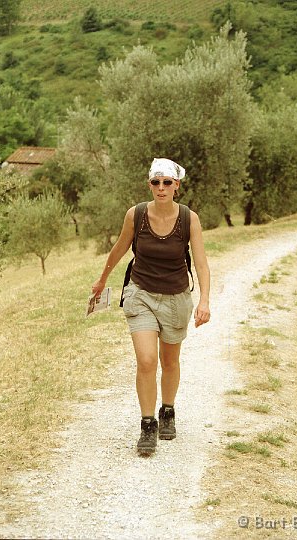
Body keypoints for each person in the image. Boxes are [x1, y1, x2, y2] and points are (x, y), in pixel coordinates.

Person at [92, 157, 210, 455]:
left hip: (175, 299)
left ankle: (167, 410)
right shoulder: (136, 214)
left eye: (167, 182)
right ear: (149, 184)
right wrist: (101, 280)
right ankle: (148, 425)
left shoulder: (189, 219)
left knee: (169, 361)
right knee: (146, 360)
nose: (161, 187)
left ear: (176, 187)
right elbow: (119, 248)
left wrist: (205, 300)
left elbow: (201, 262)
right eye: (155, 182)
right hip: (141, 293)